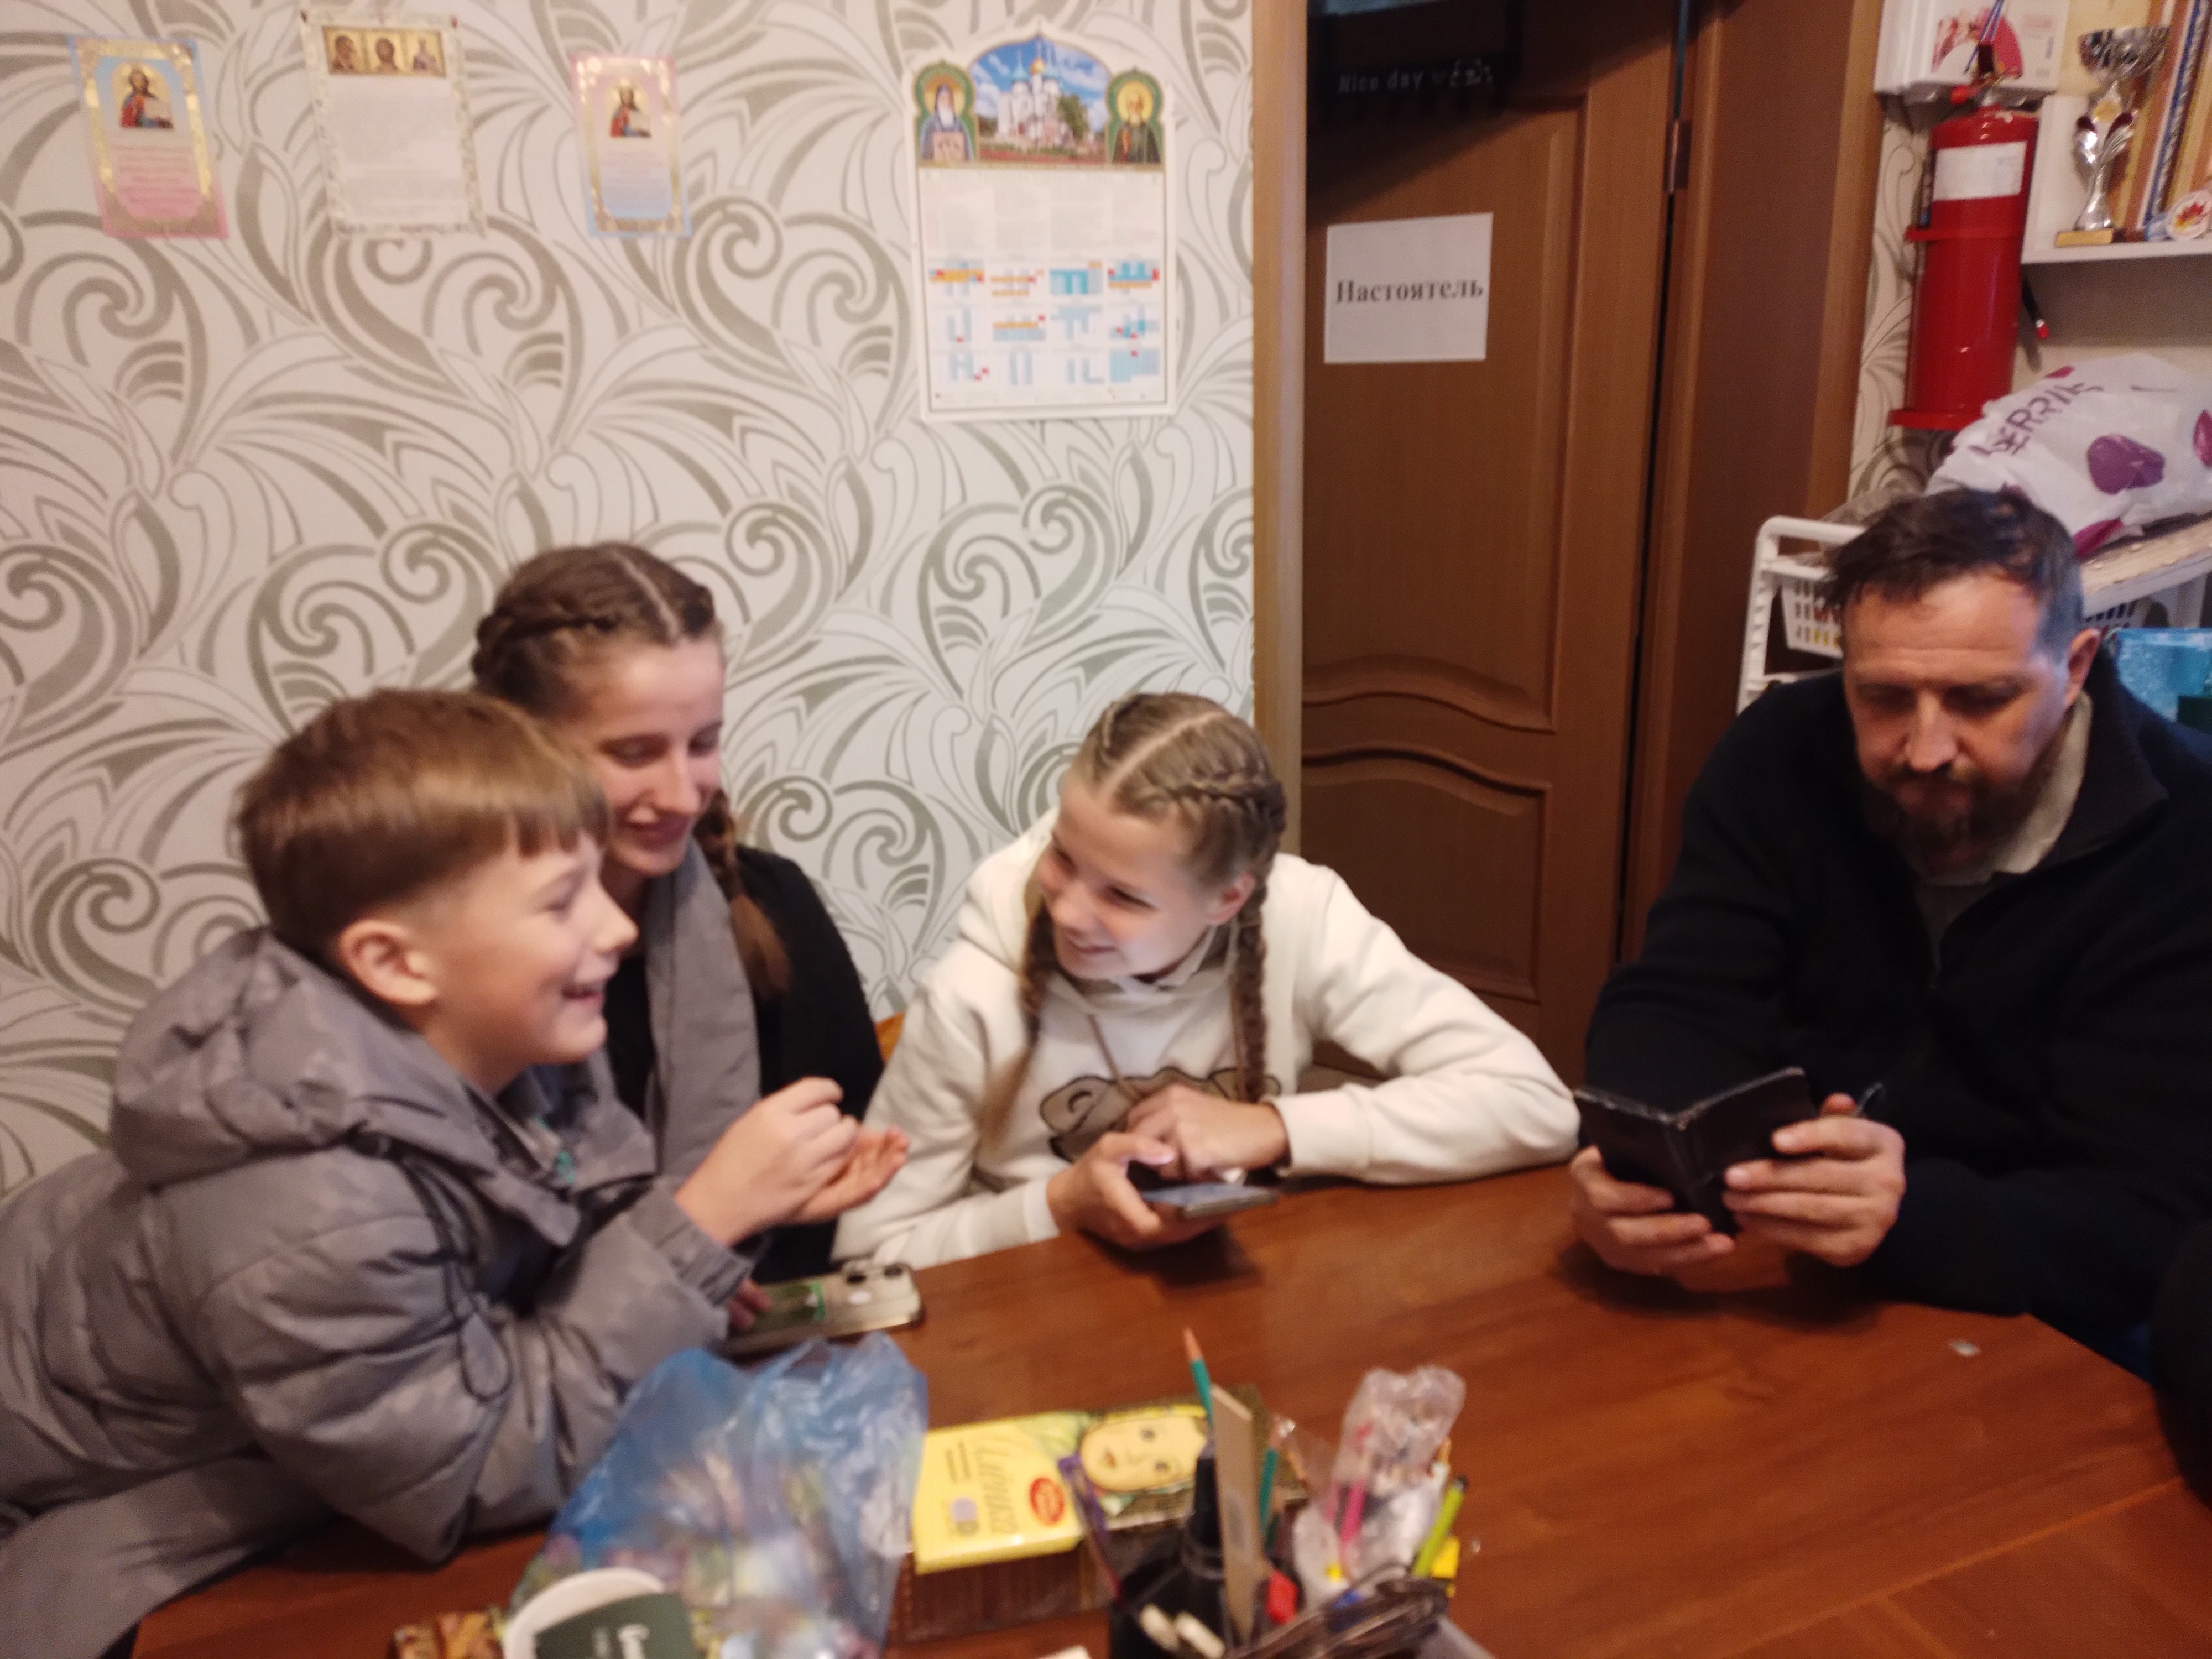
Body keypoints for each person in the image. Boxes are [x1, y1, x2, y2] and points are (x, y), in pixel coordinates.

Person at [0, 691, 875, 1659]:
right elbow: (466, 1472)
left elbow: (569, 1213)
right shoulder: (312, 1208)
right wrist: (695, 1226)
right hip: (77, 1497)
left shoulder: (510, 1035)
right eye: (561, 901)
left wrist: (697, 1255)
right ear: (394, 963)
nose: (617, 929)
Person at [1574, 488, 2212, 1363]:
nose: (1924, 749)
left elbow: (2152, 1223)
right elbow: (1679, 1000)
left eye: (1979, 699)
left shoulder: (2189, 835)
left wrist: (1908, 1215)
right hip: (1775, 1265)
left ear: (2074, 668)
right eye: (1882, 697)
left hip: (2050, 1322)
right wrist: (1636, 1165)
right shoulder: (1781, 751)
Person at [834, 692, 1577, 1270]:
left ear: (1228, 900)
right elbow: (869, 1255)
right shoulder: (972, 995)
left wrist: (1277, 1128)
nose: (1066, 911)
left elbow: (1537, 1106)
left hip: (1246, 1294)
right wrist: (1058, 1205)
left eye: (1124, 897)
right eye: (1061, 856)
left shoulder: (1302, 918)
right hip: (1029, 1316)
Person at [474, 543, 898, 1280]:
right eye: (634, 753)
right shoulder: (453, 967)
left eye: (703, 743)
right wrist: (709, 1224)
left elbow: (839, 1170)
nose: (681, 795)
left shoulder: (775, 906)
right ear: (519, 746)